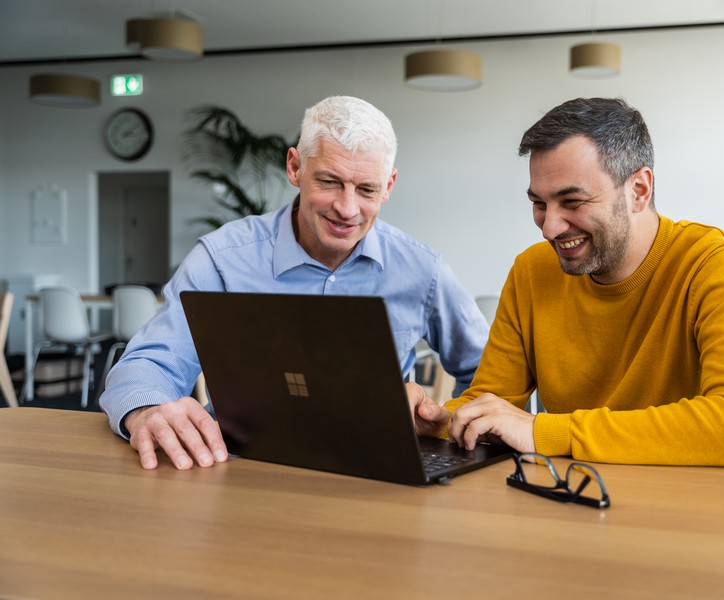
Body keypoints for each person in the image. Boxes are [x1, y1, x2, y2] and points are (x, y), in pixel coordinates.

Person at [100, 96, 489, 470]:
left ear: (388, 186)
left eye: (366, 189)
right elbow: (149, 363)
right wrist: (147, 410)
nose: (347, 208)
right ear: (294, 167)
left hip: (380, 474)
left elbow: (488, 377)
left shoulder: (423, 270)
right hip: (242, 468)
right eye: (330, 182)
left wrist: (444, 424)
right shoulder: (222, 259)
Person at [409, 97, 724, 468]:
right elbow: (493, 402)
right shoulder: (531, 271)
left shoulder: (715, 265)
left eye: (572, 201)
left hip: (685, 497)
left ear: (638, 190)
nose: (549, 228)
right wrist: (440, 421)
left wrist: (547, 432)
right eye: (539, 203)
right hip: (574, 489)